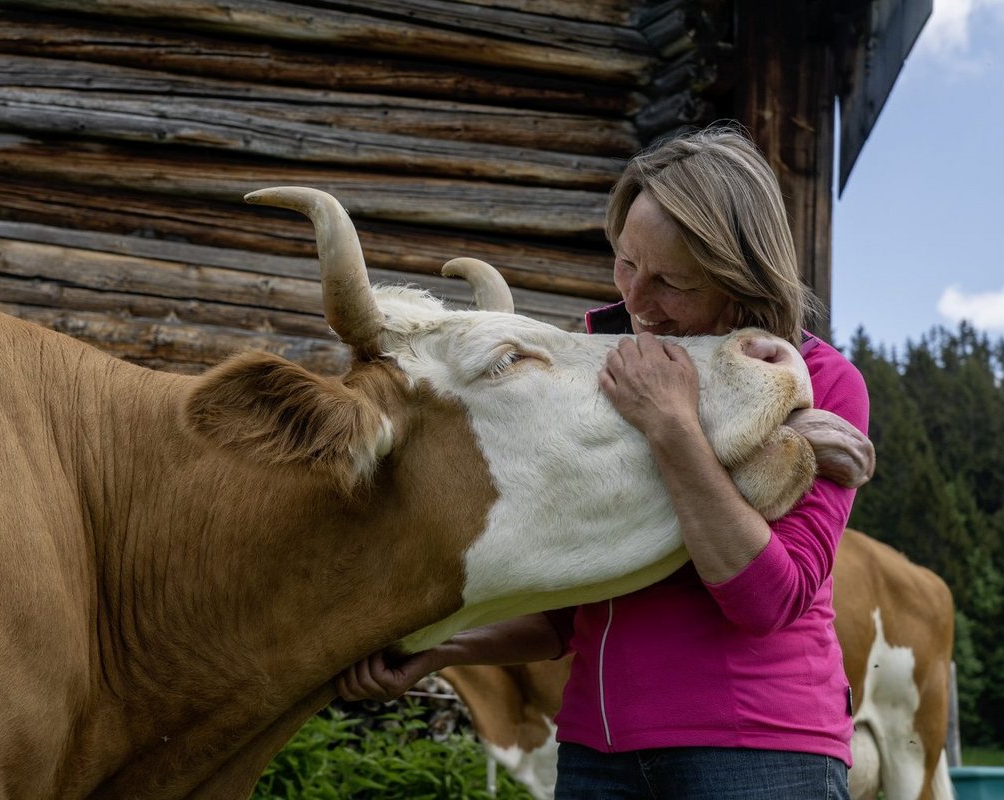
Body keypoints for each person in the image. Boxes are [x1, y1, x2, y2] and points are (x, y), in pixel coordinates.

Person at [336, 125, 869, 800]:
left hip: (758, 753)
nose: (638, 306)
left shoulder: (818, 379)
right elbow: (567, 604)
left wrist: (671, 424)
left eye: (672, 282)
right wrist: (433, 651)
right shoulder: (598, 371)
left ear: (740, 274)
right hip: (595, 754)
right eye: (625, 264)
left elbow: (769, 599)